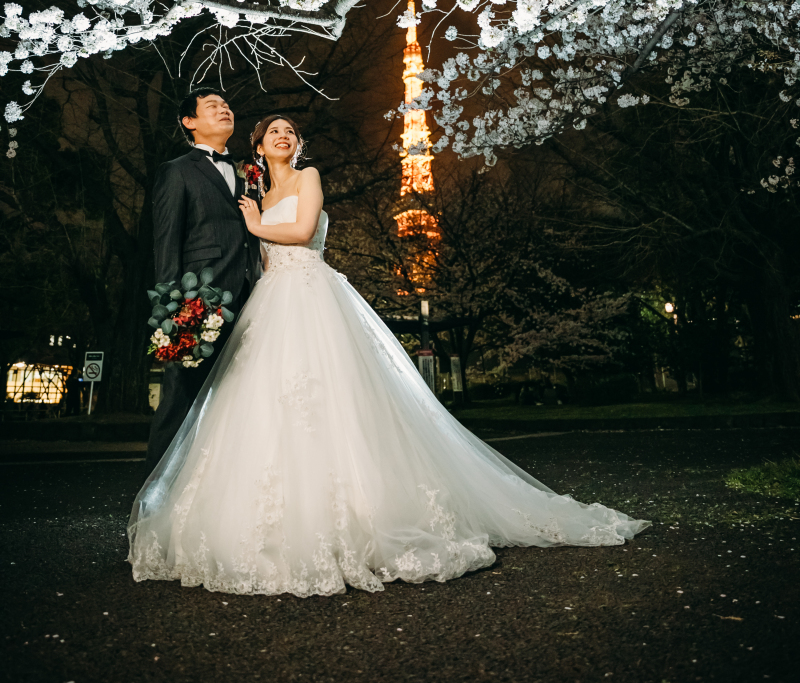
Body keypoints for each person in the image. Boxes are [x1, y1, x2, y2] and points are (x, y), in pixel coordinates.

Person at [129, 113, 649, 596]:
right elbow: (257, 259)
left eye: (290, 131)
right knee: (263, 406)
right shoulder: (256, 189)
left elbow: (303, 232)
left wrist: (255, 224)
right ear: (258, 146)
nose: (283, 137)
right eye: (273, 133)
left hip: (313, 295)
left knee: (334, 400)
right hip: (271, 302)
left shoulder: (305, 179)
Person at [143, 87, 262, 473]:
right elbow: (166, 245)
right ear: (189, 122)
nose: (225, 110)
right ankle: (151, 500)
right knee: (180, 399)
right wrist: (170, 313)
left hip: (254, 301)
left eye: (227, 105)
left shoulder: (249, 175)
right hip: (198, 304)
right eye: (213, 106)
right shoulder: (176, 171)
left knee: (244, 401)